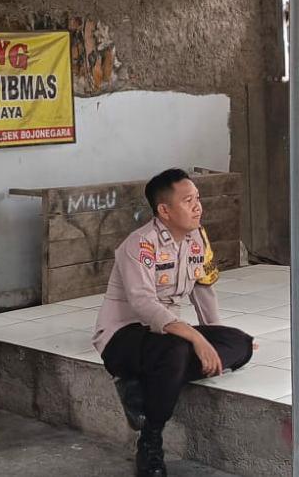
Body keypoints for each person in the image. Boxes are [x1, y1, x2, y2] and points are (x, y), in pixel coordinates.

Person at [93, 168, 254, 477]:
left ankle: (140, 383)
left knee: (241, 344)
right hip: (123, 338)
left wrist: (214, 335)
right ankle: (150, 440)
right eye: (188, 201)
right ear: (164, 210)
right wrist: (197, 338)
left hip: (166, 338)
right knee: (178, 350)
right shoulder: (139, 244)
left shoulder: (196, 240)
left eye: (198, 199)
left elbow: (203, 290)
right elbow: (143, 304)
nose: (198, 207)